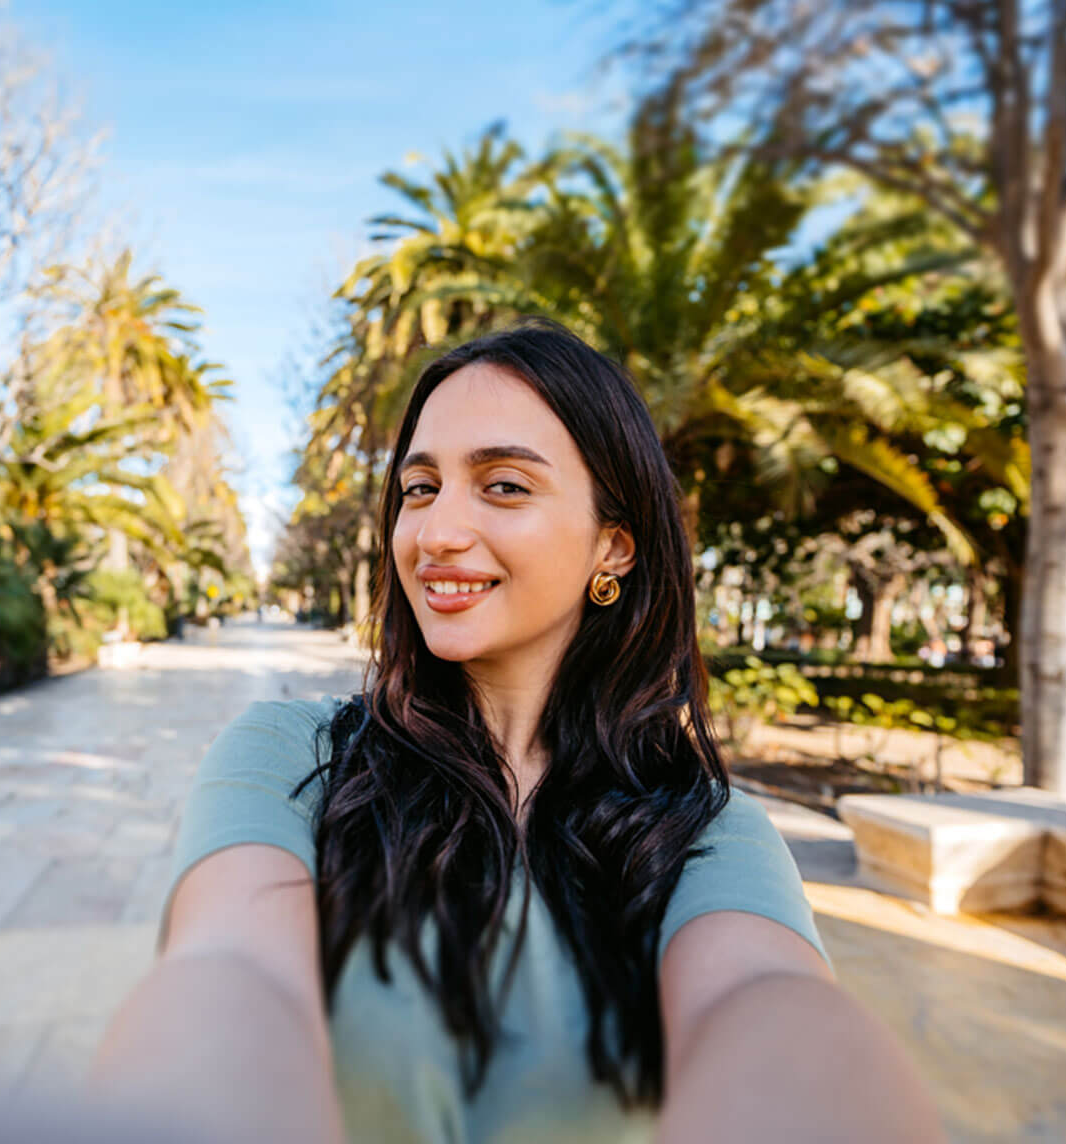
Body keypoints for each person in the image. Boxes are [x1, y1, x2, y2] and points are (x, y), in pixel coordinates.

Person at [92, 324, 942, 1143]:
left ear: (614, 547)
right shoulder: (289, 758)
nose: (436, 533)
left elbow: (766, 1003)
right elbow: (230, 976)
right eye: (420, 488)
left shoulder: (704, 835)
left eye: (503, 485)